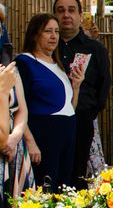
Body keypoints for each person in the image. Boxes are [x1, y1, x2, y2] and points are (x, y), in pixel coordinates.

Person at [14, 13, 84, 191]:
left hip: (67, 133)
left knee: (63, 189)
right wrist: (30, 141)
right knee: (43, 189)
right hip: (43, 133)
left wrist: (76, 87)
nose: (54, 36)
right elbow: (17, 107)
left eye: (57, 31)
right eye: (48, 31)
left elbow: (70, 108)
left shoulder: (59, 64)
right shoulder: (24, 62)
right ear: (35, 34)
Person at [53, 0, 112, 189]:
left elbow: (104, 85)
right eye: (61, 11)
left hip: (82, 119)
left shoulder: (95, 48)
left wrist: (90, 112)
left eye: (71, 10)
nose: (66, 15)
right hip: (52, 120)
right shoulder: (48, 48)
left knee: (78, 174)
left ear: (80, 16)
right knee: (54, 171)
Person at [0, 61, 34, 208]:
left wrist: (15, 137)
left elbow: (22, 110)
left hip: (14, 143)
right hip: (3, 136)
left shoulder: (10, 68)